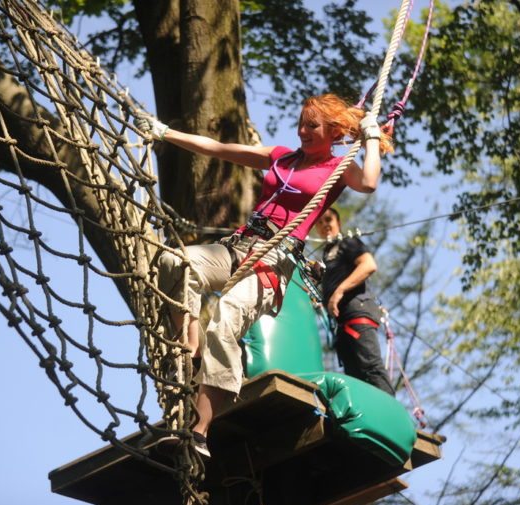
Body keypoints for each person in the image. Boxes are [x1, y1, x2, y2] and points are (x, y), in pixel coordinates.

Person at [137, 94, 393, 458]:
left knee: (227, 318)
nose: (302, 131)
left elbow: (368, 182)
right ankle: (189, 350)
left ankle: (199, 432)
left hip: (275, 259)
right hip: (241, 245)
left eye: (312, 126)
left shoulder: (338, 167)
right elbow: (219, 148)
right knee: (179, 262)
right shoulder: (281, 157)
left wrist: (369, 138)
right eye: (301, 123)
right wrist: (166, 134)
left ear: (333, 132)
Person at [314, 208, 394, 395]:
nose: (325, 224)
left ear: (338, 223)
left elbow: (368, 265)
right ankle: (370, 416)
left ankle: (390, 415)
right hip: (342, 323)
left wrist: (339, 291)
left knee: (370, 367)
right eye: (320, 222)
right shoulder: (328, 255)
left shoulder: (347, 243)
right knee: (355, 377)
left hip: (357, 311)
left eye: (329, 220)